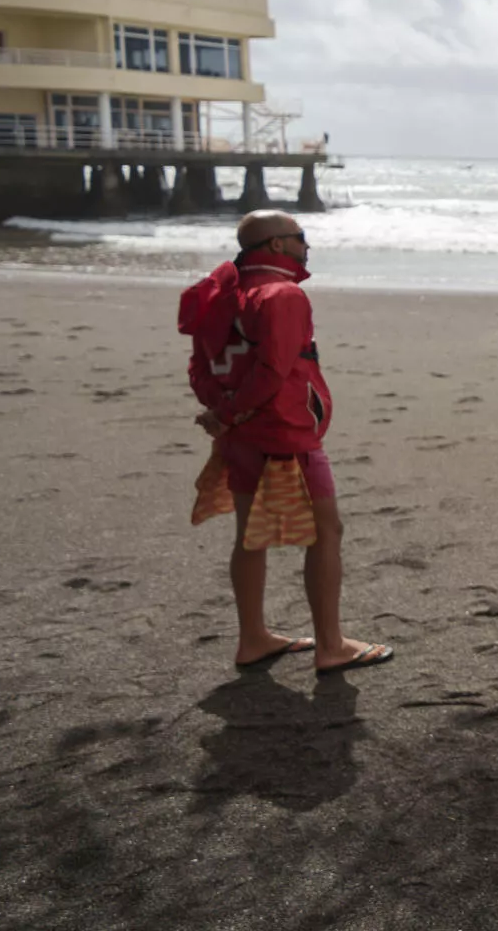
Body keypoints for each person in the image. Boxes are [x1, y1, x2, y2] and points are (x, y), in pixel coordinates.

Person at [180, 209, 393, 675]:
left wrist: (221, 413)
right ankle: (331, 645)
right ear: (276, 245)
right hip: (283, 432)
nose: (306, 244)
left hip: (239, 435)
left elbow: (199, 367)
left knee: (248, 537)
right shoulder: (282, 294)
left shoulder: (216, 293)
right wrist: (232, 413)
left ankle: (253, 638)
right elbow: (274, 371)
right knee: (326, 532)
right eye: (300, 236)